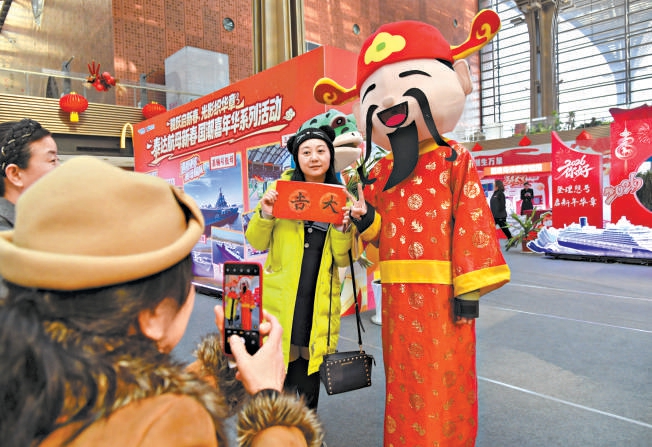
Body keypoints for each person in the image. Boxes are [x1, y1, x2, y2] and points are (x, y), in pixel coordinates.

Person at [0, 156, 323, 447]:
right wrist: (268, 397)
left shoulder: (24, 369)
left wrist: (225, 365)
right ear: (154, 314)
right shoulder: (173, 423)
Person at [313, 12, 511, 446]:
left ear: (460, 79)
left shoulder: (454, 159)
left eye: (410, 79)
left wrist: (469, 291)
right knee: (404, 380)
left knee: (445, 378)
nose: (388, 101)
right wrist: (365, 220)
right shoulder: (378, 172)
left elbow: (472, 223)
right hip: (398, 299)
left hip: (445, 296)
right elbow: (379, 232)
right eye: (372, 93)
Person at [245, 125, 354, 411]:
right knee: (277, 373)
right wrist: (266, 213)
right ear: (296, 158)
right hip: (282, 299)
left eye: (320, 151)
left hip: (317, 301)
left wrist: (342, 229)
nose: (314, 157)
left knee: (309, 376)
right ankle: (274, 429)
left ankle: (304, 429)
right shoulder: (278, 192)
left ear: (330, 156)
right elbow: (256, 240)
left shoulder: (339, 198)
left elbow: (343, 260)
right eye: (306, 152)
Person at [0, 118, 60, 230]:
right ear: (15, 174)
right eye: (52, 160)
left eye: (58, 159)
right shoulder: (6, 235)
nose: (60, 168)